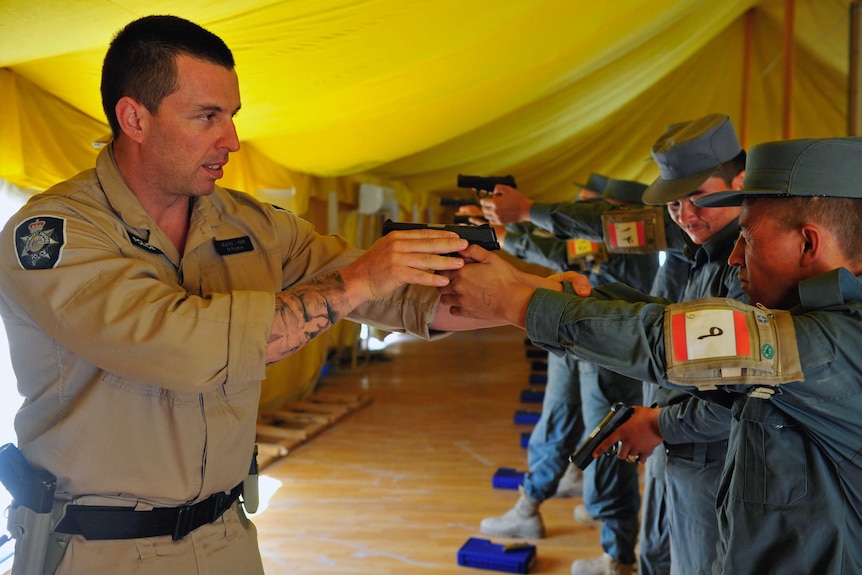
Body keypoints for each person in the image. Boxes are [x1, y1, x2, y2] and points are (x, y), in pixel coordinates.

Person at [0, 15, 500, 575]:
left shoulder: (251, 225)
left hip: (226, 537)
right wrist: (361, 279)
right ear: (133, 117)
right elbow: (184, 346)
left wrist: (541, 305)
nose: (232, 141)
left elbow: (405, 297)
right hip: (99, 549)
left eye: (232, 117)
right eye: (206, 117)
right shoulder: (52, 234)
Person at [440, 136, 862, 575]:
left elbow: (670, 341)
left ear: (809, 244)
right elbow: (669, 318)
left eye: (749, 239)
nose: (735, 256)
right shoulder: (815, 322)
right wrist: (534, 289)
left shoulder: (834, 342)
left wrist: (520, 304)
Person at [479, 113, 747, 575]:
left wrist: (661, 422)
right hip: (676, 437)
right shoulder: (702, 249)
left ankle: (613, 547)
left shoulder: (748, 264)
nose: (685, 214)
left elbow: (732, 393)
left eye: (698, 197)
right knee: (658, 552)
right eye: (674, 204)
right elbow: (660, 315)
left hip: (702, 448)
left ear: (740, 182)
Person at [478, 177, 656, 575]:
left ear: (617, 212)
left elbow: (562, 253)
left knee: (610, 445)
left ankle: (618, 557)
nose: (581, 210)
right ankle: (538, 506)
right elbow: (567, 251)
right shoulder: (610, 239)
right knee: (559, 422)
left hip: (609, 351)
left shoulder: (626, 240)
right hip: (585, 341)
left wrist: (505, 235)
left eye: (591, 206)